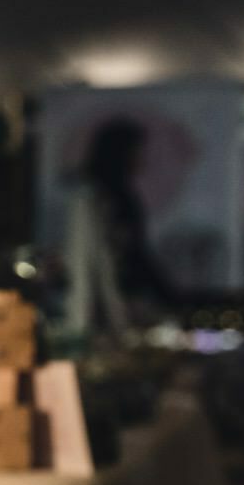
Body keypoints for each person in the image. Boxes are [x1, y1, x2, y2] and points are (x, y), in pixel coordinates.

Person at [64, 117, 177, 340]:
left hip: (114, 302)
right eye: (138, 151)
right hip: (108, 306)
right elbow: (121, 255)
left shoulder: (112, 195)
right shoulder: (96, 198)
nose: (143, 158)